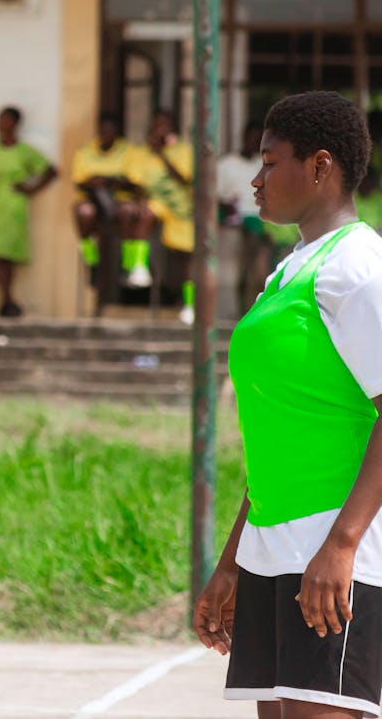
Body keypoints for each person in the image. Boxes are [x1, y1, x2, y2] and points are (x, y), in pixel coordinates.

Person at [194, 91, 382, 719]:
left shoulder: (358, 267)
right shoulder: (288, 272)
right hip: (272, 549)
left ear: (321, 166)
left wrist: (342, 546)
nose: (256, 179)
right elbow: (280, 434)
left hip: (334, 548)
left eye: (271, 162)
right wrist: (231, 563)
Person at [0, 105, 57, 317]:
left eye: (5, 119)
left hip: (14, 207)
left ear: (15, 123)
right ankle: (8, 299)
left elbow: (51, 171)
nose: (1, 123)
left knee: (8, 255)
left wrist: (31, 188)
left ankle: (6, 300)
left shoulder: (24, 150)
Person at [70, 111, 154, 288]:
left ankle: (128, 264)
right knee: (84, 214)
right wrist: (95, 182)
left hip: (120, 201)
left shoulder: (129, 150)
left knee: (127, 212)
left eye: (110, 130)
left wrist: (110, 181)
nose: (106, 134)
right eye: (103, 130)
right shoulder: (85, 151)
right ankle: (91, 261)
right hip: (93, 201)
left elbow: (134, 183)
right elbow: (79, 182)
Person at [130, 109, 195, 323]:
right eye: (157, 125)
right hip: (157, 204)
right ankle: (138, 266)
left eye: (165, 125)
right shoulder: (141, 153)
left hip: (182, 209)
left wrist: (161, 154)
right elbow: (137, 184)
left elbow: (183, 178)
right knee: (145, 213)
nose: (161, 130)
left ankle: (188, 304)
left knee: (186, 260)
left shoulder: (183, 150)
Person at [218, 121, 270, 317]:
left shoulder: (263, 165)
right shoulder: (226, 164)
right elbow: (214, 197)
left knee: (257, 275)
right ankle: (232, 313)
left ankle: (252, 311)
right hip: (233, 223)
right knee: (234, 274)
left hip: (260, 223)